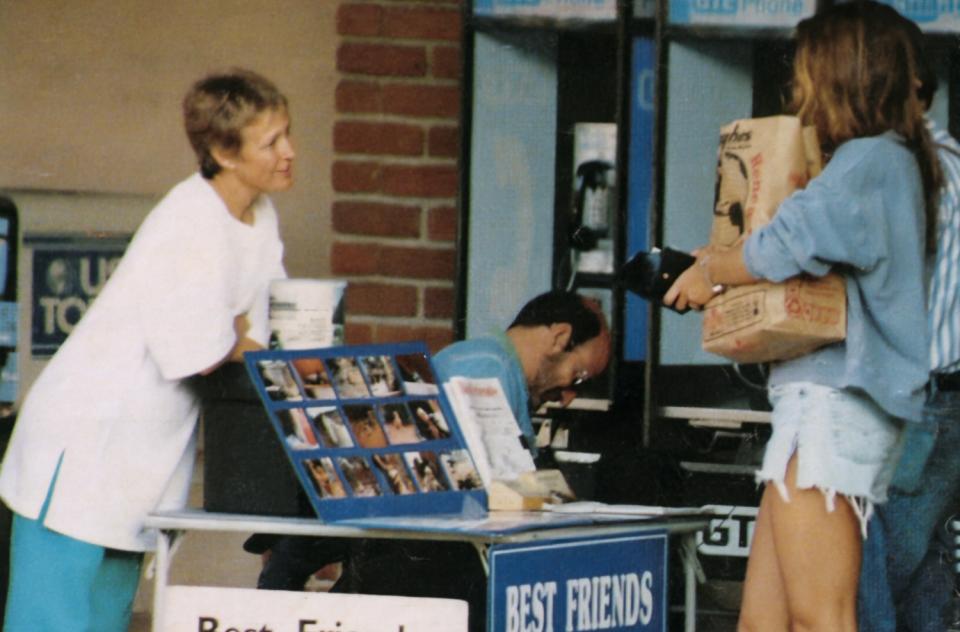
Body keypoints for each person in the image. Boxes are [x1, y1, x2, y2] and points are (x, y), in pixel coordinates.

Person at [664, 3, 941, 630]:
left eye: (809, 67)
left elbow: (782, 241)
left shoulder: (871, 160)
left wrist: (711, 270)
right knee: (765, 620)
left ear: (844, 71)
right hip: (826, 408)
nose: (800, 83)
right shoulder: (895, 159)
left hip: (828, 408)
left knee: (823, 617)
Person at [0, 68, 293, 631]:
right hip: (81, 448)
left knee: (106, 618)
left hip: (142, 458)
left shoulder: (260, 216)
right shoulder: (188, 220)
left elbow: (266, 332)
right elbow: (199, 352)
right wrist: (234, 334)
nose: (288, 152)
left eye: (287, 134)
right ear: (222, 152)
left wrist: (232, 332)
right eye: (271, 141)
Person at [249, 289, 611, 632]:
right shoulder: (486, 367)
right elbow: (493, 486)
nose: (568, 396)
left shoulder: (497, 367)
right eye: (577, 375)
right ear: (560, 337)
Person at [857, 12, 960, 632]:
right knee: (921, 574)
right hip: (943, 402)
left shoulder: (904, 170)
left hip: (913, 404)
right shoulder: (950, 161)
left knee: (871, 576)